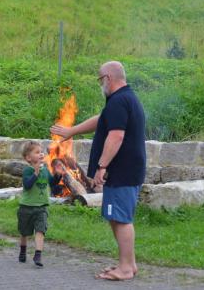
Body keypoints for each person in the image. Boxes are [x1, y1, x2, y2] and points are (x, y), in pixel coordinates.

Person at [50, 61, 146, 280]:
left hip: (121, 171)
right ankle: (128, 264)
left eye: (99, 79)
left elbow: (116, 136)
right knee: (117, 217)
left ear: (108, 78)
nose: (99, 84)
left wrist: (102, 166)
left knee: (121, 219)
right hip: (127, 170)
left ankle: (125, 269)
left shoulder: (119, 101)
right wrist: (71, 131)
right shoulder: (123, 99)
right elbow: (102, 120)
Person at [18, 141, 62, 267]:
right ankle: (23, 250)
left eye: (41, 151)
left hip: (42, 207)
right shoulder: (27, 170)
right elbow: (27, 185)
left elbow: (52, 183)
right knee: (24, 232)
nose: (41, 154)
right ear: (28, 158)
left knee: (40, 231)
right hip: (26, 207)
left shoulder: (46, 170)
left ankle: (38, 255)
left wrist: (58, 175)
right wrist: (35, 173)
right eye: (37, 152)